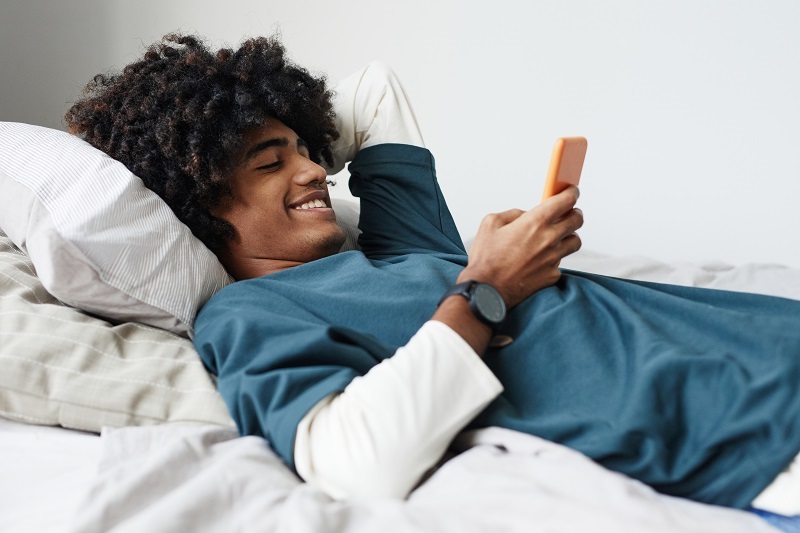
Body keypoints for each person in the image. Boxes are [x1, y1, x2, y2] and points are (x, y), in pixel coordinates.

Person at [66, 33, 800, 513]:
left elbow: (373, 90)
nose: (316, 169)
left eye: (308, 148)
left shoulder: (401, 242)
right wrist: (485, 288)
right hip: (748, 425)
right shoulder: (248, 313)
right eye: (271, 162)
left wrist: (268, 115)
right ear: (200, 205)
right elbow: (350, 461)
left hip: (770, 338)